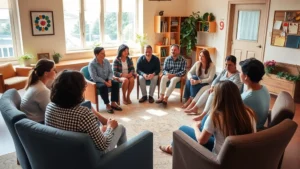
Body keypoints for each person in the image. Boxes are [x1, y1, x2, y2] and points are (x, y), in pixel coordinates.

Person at [159, 80, 257, 155]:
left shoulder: (216, 117)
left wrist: (195, 127)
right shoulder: (249, 112)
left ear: (218, 98)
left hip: (220, 158)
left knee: (182, 129)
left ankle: (172, 148)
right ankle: (171, 147)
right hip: (241, 154)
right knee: (207, 124)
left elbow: (201, 141)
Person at [45, 70, 127, 152]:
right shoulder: (83, 115)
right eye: (84, 87)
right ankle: (123, 157)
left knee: (102, 129)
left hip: (64, 151)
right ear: (76, 91)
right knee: (120, 127)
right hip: (91, 157)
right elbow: (103, 146)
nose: (85, 88)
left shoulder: (49, 107)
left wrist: (101, 132)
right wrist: (110, 127)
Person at [194, 58, 269, 130]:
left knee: (206, 120)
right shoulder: (264, 89)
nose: (240, 73)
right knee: (208, 117)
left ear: (246, 77)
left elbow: (229, 118)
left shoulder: (245, 99)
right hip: (256, 124)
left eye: (241, 72)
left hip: (245, 131)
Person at [21, 59, 56, 123]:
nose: (55, 72)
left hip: (31, 119)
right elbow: (52, 113)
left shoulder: (35, 84)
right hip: (39, 122)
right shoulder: (42, 91)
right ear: (46, 73)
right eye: (53, 70)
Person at [89, 47, 122, 113]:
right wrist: (105, 82)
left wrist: (109, 80)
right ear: (96, 54)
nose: (104, 55)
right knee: (103, 86)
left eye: (104, 53)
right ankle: (107, 104)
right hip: (97, 81)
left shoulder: (106, 61)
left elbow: (111, 72)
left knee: (115, 83)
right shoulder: (92, 64)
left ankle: (113, 103)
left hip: (107, 78)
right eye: (102, 53)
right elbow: (94, 77)